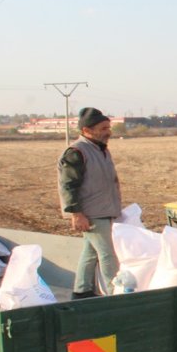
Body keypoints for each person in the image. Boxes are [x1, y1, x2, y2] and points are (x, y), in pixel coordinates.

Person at [57, 107, 121, 299]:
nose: (107, 132)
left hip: (103, 210)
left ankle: (82, 290)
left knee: (91, 253)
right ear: (86, 130)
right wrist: (76, 214)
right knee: (108, 254)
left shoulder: (100, 150)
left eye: (108, 127)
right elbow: (69, 186)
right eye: (102, 128)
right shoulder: (76, 152)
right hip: (91, 213)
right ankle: (114, 295)